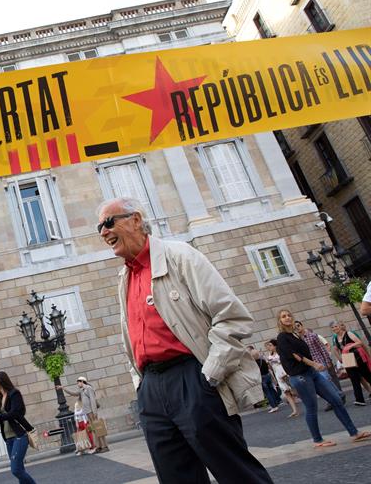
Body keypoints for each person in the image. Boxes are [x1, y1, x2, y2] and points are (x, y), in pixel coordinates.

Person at [98, 196, 272, 484]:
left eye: (108, 222)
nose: (103, 232)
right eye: (99, 227)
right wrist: (140, 385)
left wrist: (210, 375)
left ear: (136, 220)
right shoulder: (124, 278)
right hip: (152, 389)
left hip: (193, 377)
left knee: (237, 473)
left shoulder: (181, 256)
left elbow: (232, 317)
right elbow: (132, 338)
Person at [276, 309, 370, 447]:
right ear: (280, 321)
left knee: (336, 400)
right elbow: (295, 355)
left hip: (311, 372)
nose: (288, 318)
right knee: (311, 407)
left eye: (289, 315)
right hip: (300, 376)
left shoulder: (296, 335)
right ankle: (318, 440)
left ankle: (354, 433)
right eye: (284, 316)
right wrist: (314, 363)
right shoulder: (282, 337)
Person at [0, 371, 37, 484]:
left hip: (19, 436)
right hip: (8, 439)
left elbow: (15, 413)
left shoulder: (14, 394)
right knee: (20, 470)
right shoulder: (1, 397)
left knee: (16, 470)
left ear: (0, 382)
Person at [294, 319, 345, 410]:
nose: (297, 328)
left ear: (302, 325)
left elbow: (322, 348)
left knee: (325, 380)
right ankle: (339, 395)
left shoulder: (313, 336)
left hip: (320, 361)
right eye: (295, 327)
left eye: (298, 325)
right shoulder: (297, 340)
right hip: (310, 365)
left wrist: (328, 361)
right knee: (323, 383)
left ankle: (333, 401)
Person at [330, 320, 371, 405]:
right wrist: (340, 358)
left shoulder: (348, 334)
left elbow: (359, 343)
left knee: (367, 375)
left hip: (357, 358)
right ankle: (360, 400)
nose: (335, 328)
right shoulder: (335, 338)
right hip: (348, 360)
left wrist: (350, 346)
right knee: (354, 379)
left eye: (336, 326)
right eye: (332, 327)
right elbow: (335, 349)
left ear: (340, 326)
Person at [56, 376, 101, 453]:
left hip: (91, 412)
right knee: (93, 430)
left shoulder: (88, 388)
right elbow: (73, 393)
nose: (77, 384)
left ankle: (98, 447)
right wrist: (63, 388)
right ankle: (96, 446)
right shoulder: (81, 390)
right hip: (87, 412)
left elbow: (93, 400)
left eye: (78, 382)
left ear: (82, 381)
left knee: (95, 429)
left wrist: (95, 412)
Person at [265, 339, 300, 417]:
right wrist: (269, 364)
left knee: (294, 391)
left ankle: (306, 401)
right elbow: (271, 368)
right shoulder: (269, 355)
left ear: (275, 345)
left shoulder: (281, 352)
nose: (269, 347)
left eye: (270, 345)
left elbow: (285, 361)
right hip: (278, 374)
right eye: (268, 346)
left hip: (285, 372)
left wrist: (276, 360)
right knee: (286, 392)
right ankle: (294, 410)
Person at [249, 346, 280, 412]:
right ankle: (277, 402)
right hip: (268, 376)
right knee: (271, 390)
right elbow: (268, 367)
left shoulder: (254, 364)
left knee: (267, 393)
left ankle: (274, 406)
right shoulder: (262, 360)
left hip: (262, 378)